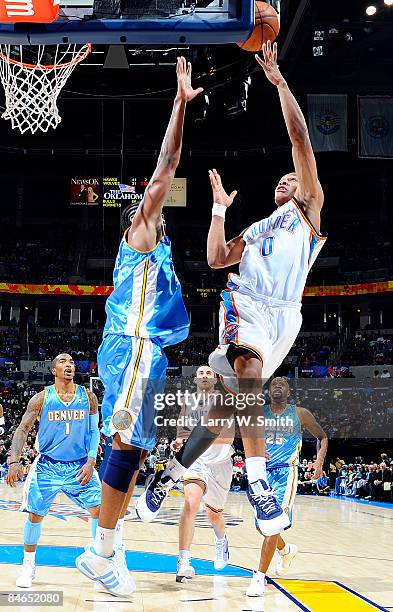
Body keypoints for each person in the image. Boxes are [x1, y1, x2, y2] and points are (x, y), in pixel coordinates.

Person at [137, 41, 325, 538]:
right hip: (248, 304)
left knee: (227, 409)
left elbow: (301, 141)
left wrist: (280, 83)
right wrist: (219, 210)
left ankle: (169, 474)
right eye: (282, 179)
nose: (288, 180)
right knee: (249, 375)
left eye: (293, 178)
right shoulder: (261, 227)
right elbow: (218, 258)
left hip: (286, 316)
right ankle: (260, 486)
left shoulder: (307, 211)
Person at [75, 56, 203, 597]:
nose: (150, 208)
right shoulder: (141, 236)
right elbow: (167, 165)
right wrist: (178, 105)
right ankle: (100, 550)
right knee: (125, 444)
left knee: (136, 452)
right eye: (144, 207)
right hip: (131, 348)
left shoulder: (163, 247)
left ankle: (110, 549)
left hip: (149, 356)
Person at [6, 354, 101, 589]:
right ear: (53, 370)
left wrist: (91, 461)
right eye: (62, 361)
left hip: (80, 464)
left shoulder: (88, 397)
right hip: (48, 464)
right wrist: (13, 460)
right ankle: (28, 565)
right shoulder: (41, 398)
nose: (68, 364)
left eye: (71, 362)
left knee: (99, 510)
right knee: (35, 515)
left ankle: (101, 562)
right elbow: (22, 429)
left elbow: (94, 432)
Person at [247, 377, 328, 598]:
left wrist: (319, 462)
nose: (278, 386)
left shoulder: (300, 414)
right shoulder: (259, 413)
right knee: (262, 527)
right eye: (274, 384)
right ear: (269, 390)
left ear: (289, 392)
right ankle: (286, 550)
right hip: (261, 472)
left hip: (285, 472)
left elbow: (322, 437)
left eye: (282, 384)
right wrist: (255, 449)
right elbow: (243, 434)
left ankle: (259, 578)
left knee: (272, 526)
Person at [175, 365, 234, 582]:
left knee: (214, 514)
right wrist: (180, 440)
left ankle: (220, 540)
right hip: (196, 458)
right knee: (191, 502)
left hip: (220, 459)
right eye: (201, 373)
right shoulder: (188, 401)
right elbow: (182, 426)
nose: (205, 376)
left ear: (216, 379)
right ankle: (183, 560)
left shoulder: (227, 399)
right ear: (196, 379)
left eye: (209, 373)